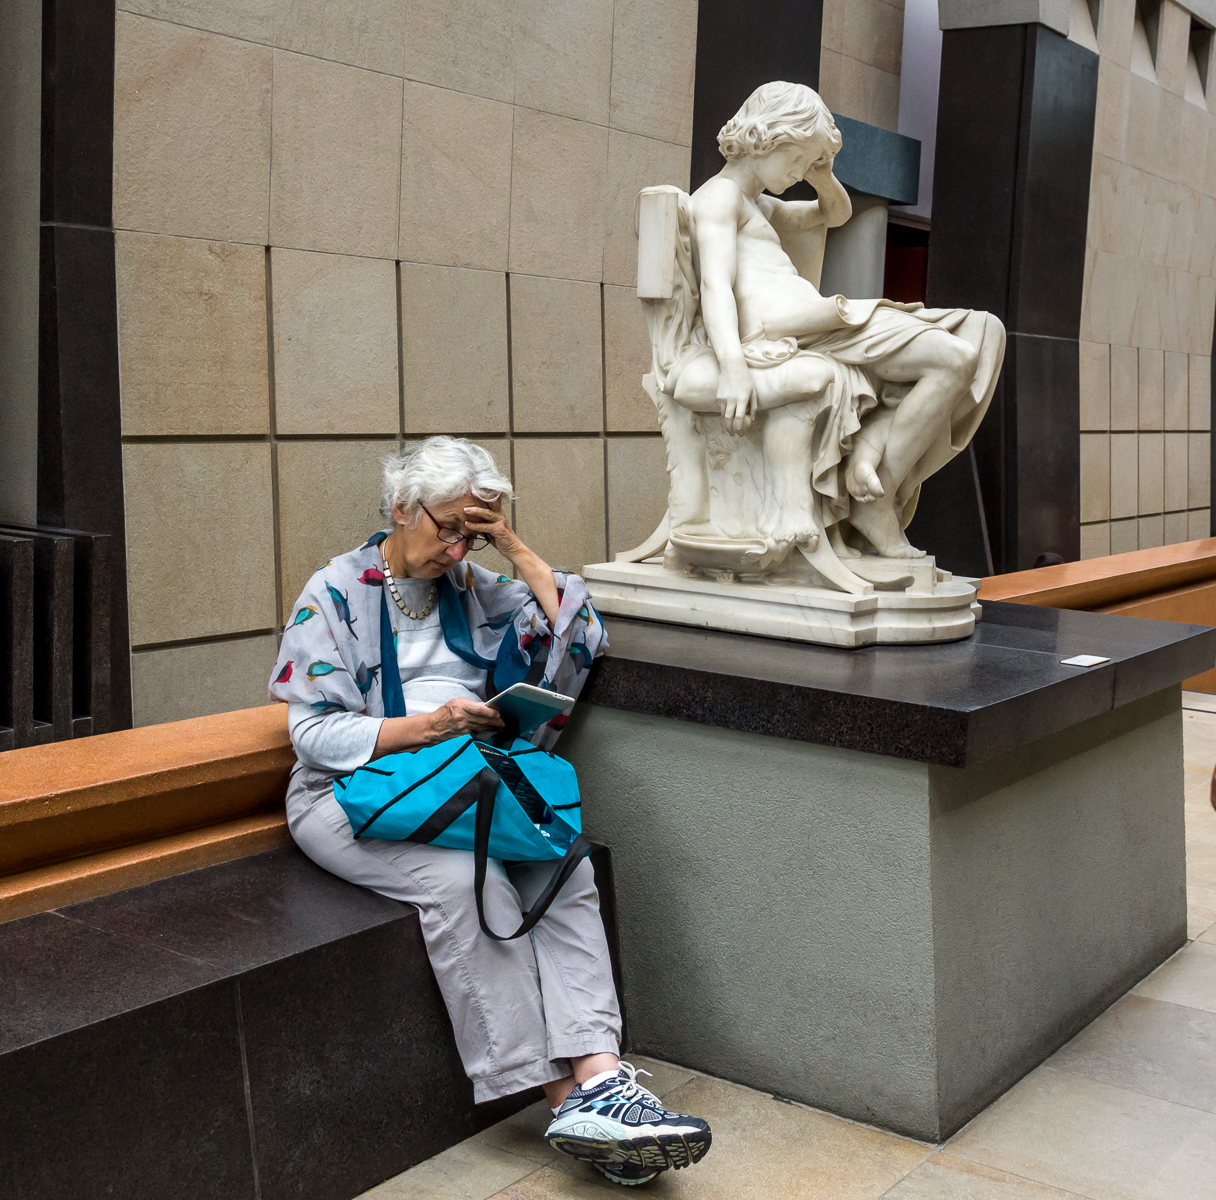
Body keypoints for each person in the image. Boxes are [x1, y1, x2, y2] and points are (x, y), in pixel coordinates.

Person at [268, 437, 711, 1186]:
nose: (454, 546)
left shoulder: (472, 584)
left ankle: (601, 1078)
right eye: (445, 526)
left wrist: (509, 544)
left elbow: (582, 633)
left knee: (558, 860)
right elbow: (311, 733)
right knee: (464, 884)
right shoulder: (335, 590)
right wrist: (429, 727)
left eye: (469, 533)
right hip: (352, 798)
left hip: (458, 786)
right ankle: (563, 1097)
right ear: (401, 511)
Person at [655, 81, 1004, 567]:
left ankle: (870, 457)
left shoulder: (763, 205)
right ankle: (874, 496)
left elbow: (834, 212)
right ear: (766, 139)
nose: (800, 173)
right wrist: (732, 365)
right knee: (957, 355)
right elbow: (715, 286)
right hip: (791, 326)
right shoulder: (719, 199)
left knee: (979, 336)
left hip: (817, 323)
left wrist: (823, 170)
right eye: (797, 161)